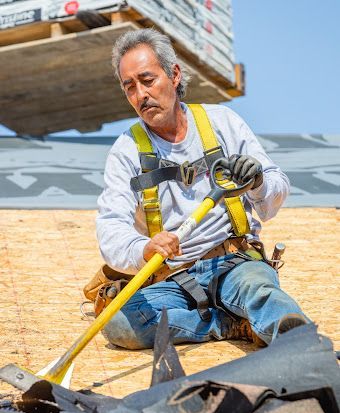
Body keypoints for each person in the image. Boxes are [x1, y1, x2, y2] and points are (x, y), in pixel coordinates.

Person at [96, 28, 308, 350]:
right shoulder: (126, 151)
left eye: (148, 80)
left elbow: (274, 198)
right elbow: (111, 227)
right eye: (130, 87)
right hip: (174, 280)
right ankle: (226, 324)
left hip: (235, 263)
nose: (141, 95)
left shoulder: (222, 123)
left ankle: (304, 349)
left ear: (175, 75)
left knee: (263, 296)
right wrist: (144, 248)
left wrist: (258, 183)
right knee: (121, 322)